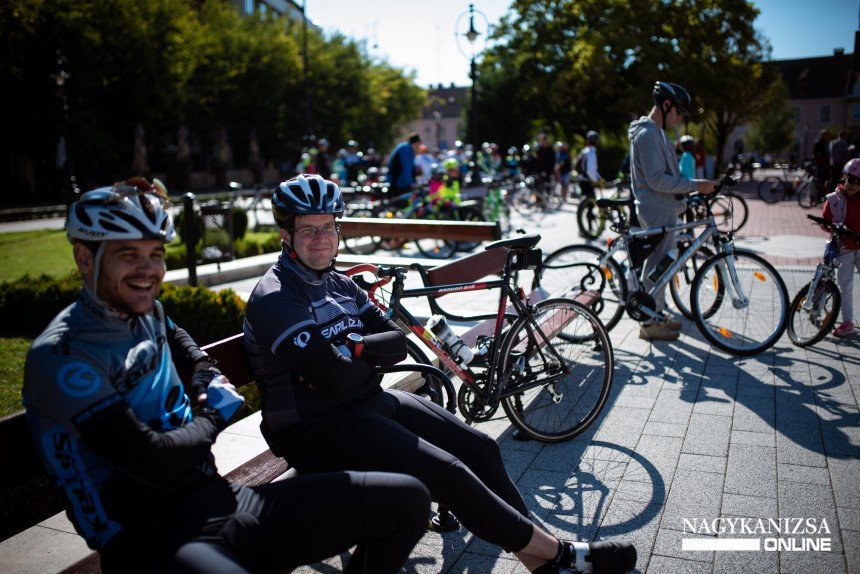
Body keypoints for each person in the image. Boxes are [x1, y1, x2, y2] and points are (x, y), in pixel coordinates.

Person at [22, 177, 431, 573]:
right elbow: (152, 461)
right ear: (84, 258)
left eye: (156, 254)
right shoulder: (62, 355)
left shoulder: (146, 312)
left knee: (407, 501)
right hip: (143, 534)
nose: (148, 270)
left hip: (219, 499)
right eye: (128, 255)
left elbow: (183, 343)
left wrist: (204, 370)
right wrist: (214, 413)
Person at [243, 173, 638, 574]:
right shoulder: (275, 297)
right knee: (446, 471)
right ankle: (563, 554)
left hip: (363, 403)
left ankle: (542, 565)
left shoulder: (341, 285)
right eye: (308, 229)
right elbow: (333, 378)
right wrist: (356, 362)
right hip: (315, 428)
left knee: (481, 448)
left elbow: (395, 344)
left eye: (328, 227)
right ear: (285, 233)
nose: (321, 238)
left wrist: (353, 350)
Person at [628, 81, 716, 342]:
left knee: (661, 265)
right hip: (656, 207)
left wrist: (687, 192)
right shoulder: (648, 134)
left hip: (662, 206)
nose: (679, 118)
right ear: (665, 105)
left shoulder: (656, 133)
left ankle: (654, 315)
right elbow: (656, 179)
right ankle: (649, 322)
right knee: (657, 265)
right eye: (678, 111)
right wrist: (695, 186)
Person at [822, 158, 860, 337]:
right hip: (844, 247)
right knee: (846, 285)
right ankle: (847, 323)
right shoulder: (835, 198)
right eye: (851, 180)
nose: (854, 185)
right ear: (844, 177)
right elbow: (826, 218)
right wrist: (829, 225)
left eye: (859, 183)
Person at [575, 131, 603, 201]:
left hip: (582, 179)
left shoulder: (584, 151)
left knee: (586, 202)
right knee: (590, 202)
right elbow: (591, 170)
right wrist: (597, 180)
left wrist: (599, 177)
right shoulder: (591, 153)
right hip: (587, 182)